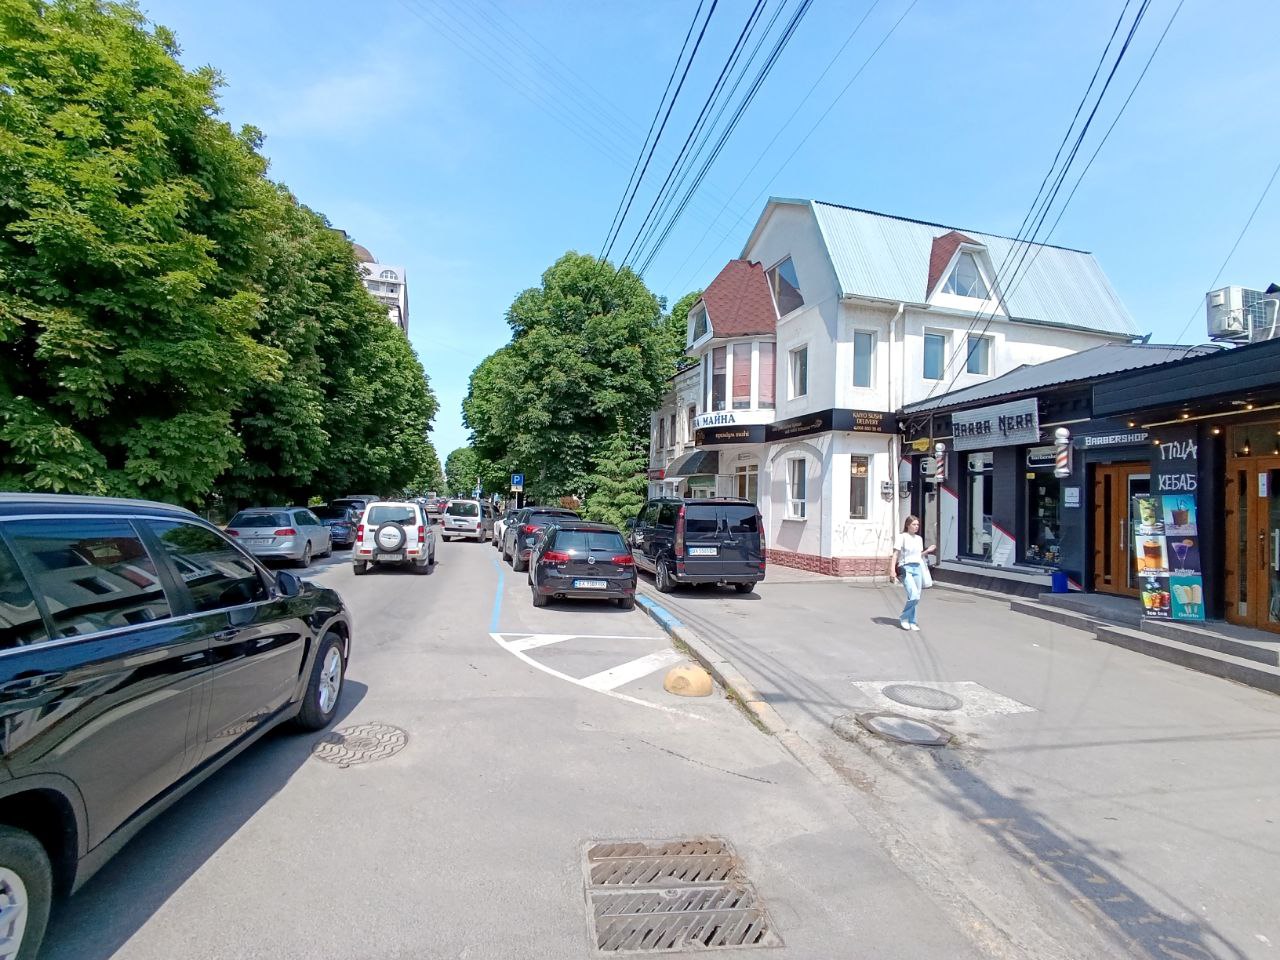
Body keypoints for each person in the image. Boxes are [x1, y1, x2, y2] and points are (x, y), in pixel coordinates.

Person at [889, 515, 936, 631]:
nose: (916, 527)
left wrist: (927, 551)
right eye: (914, 524)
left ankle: (912, 621)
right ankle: (904, 618)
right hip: (905, 568)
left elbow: (918, 555)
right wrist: (892, 570)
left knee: (916, 597)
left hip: (917, 567)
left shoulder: (919, 539)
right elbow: (895, 554)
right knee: (913, 594)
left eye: (917, 525)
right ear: (907, 525)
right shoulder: (902, 537)